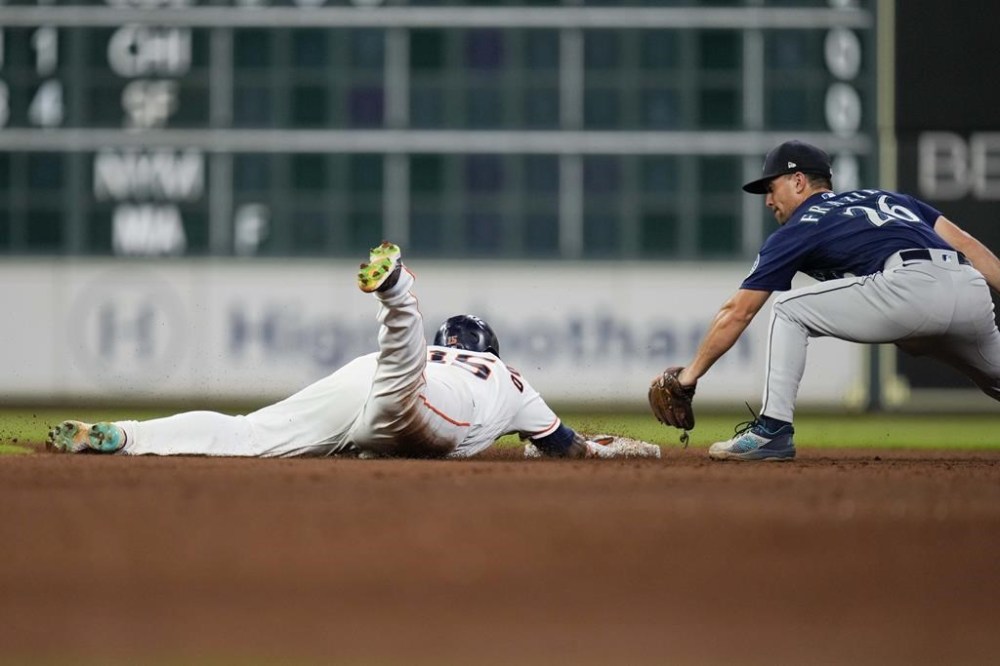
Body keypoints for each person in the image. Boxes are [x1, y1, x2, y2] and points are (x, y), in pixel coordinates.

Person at [47, 242, 658, 460]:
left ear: (452, 344)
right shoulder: (507, 377)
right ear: (489, 349)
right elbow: (566, 448)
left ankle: (124, 436)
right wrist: (631, 449)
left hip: (359, 384)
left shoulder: (457, 361)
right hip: (425, 401)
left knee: (247, 434)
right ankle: (398, 292)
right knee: (402, 374)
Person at [660, 140, 1000, 462]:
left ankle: (773, 430)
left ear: (797, 181)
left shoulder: (804, 224)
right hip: (969, 288)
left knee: (788, 310)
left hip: (912, 286)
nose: (767, 200)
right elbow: (968, 245)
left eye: (771, 187)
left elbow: (738, 311)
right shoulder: (888, 199)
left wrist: (689, 376)